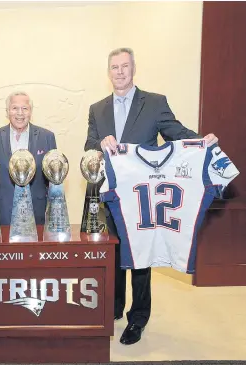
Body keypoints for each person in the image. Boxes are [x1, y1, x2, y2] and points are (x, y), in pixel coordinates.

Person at [84, 48, 218, 345]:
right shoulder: (97, 108)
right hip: (114, 194)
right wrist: (99, 142)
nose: (119, 72)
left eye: (125, 66)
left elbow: (177, 134)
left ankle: (138, 318)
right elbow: (89, 144)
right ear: (108, 72)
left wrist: (202, 141)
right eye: (114, 67)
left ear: (134, 69)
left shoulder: (155, 103)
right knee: (116, 253)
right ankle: (115, 307)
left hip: (145, 197)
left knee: (141, 258)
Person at [0, 91, 56, 225]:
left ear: (31, 112)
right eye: (15, 108)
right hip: (3, 213)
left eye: (25, 108)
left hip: (37, 212)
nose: (20, 113)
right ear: (7, 111)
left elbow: (52, 181)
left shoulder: (47, 137)